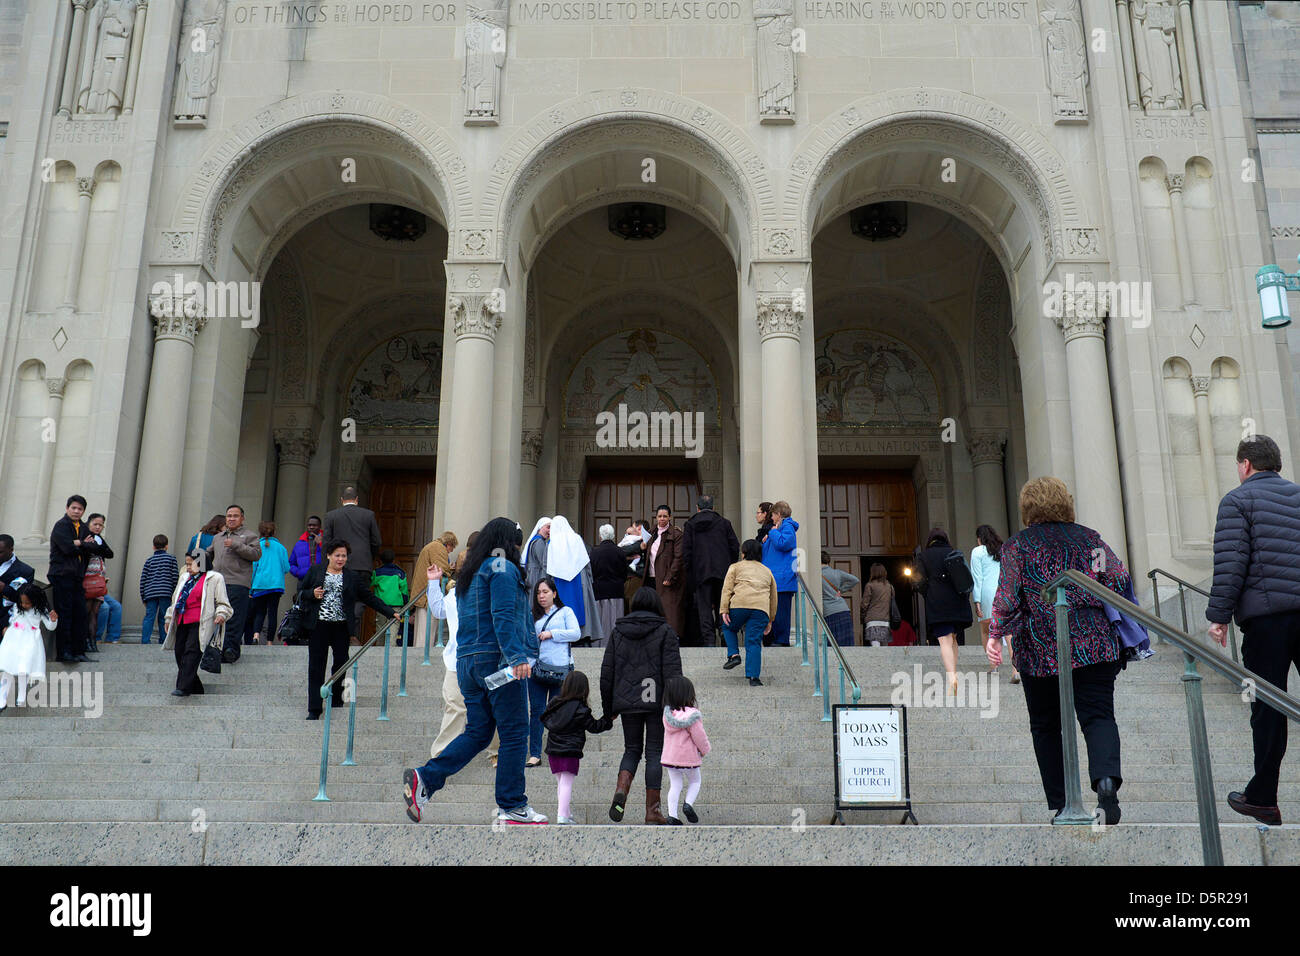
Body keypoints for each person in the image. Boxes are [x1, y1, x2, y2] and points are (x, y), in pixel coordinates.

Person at [986, 476, 1131, 825]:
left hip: (1040, 646)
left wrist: (995, 635)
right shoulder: (1089, 539)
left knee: (1046, 725)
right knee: (1098, 715)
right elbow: (1118, 579)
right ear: (1065, 503)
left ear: (1027, 508)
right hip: (1094, 643)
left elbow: (1007, 597)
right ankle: (1106, 785)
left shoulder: (1019, 546)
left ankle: (1062, 803)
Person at [403, 518, 548, 826]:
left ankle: (425, 778)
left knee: (478, 732)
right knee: (514, 733)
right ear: (509, 543)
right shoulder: (503, 569)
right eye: (517, 543)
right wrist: (517, 655)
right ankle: (512, 805)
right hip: (498, 662)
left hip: (468, 665)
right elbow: (503, 615)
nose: (519, 549)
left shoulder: (469, 576)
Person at [1206, 434, 1300, 825]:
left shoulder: (1237, 500)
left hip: (1267, 620)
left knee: (1268, 708)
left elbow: (1232, 562)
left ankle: (1263, 798)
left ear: (1245, 465)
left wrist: (1218, 614)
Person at [600, 586, 683, 825]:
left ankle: (622, 790)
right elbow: (673, 673)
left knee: (632, 750)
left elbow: (607, 673)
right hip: (656, 703)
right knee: (654, 753)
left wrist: (609, 710)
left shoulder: (618, 632)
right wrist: (675, 706)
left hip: (628, 703)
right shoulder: (665, 631)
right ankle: (652, 811)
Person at [297, 540, 397, 720]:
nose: (341, 559)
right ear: (328, 555)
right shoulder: (315, 571)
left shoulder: (351, 577)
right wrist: (312, 593)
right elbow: (299, 594)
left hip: (342, 626)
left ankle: (336, 699)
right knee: (316, 666)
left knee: (341, 662)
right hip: (318, 625)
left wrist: (390, 612)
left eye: (344, 556)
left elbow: (369, 597)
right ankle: (314, 708)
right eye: (337, 555)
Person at [424, 561, 500, 768]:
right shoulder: (455, 593)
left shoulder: (492, 591)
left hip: (488, 658)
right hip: (456, 661)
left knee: (494, 706)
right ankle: (441, 755)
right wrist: (433, 583)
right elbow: (439, 611)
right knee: (455, 706)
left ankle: (496, 752)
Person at [540, 669, 608, 825]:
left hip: (553, 750)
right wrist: (608, 719)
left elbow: (545, 719)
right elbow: (594, 727)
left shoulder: (554, 703)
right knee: (567, 782)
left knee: (561, 782)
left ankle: (566, 812)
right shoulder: (580, 709)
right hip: (570, 750)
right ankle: (562, 815)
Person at [163, 549, 232, 698]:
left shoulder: (215, 578)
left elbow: (222, 602)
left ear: (200, 563)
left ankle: (183, 687)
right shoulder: (184, 578)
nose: (187, 568)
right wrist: (169, 618)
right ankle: (196, 687)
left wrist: (221, 614)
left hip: (200, 622)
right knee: (179, 652)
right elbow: (176, 599)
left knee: (191, 652)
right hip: (182, 620)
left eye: (190, 564)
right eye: (186, 564)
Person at [528, 576, 581, 766]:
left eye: (545, 592)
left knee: (558, 712)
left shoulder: (565, 612)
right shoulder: (532, 615)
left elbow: (576, 633)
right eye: (538, 593)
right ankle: (534, 753)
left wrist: (552, 634)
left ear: (554, 593)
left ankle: (556, 750)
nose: (541, 596)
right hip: (537, 669)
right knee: (537, 712)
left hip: (560, 670)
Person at [915, 527, 973, 696]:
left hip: (938, 601)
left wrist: (928, 592)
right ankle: (953, 671)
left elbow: (917, 581)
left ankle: (952, 677)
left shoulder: (924, 556)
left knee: (944, 640)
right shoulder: (954, 552)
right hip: (958, 600)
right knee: (954, 638)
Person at [48, 494, 102, 663]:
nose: (77, 511)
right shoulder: (61, 526)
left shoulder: (83, 528)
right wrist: (81, 544)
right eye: (74, 508)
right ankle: (64, 652)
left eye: (80, 509)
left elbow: (95, 547)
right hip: (62, 575)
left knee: (80, 614)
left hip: (77, 577)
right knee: (65, 613)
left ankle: (79, 651)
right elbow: (66, 548)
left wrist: (79, 543)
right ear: (67, 508)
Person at [682, 494, 740, 648]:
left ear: (698, 508)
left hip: (701, 573)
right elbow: (735, 546)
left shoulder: (690, 524)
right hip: (723, 572)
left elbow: (686, 553)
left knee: (704, 608)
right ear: (713, 507)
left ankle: (709, 640)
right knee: (723, 605)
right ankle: (724, 633)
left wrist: (690, 574)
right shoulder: (724, 523)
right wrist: (731, 566)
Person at [323, 486, 384, 630]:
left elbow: (326, 542)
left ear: (341, 500)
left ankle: (341, 632)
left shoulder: (331, 516)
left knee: (339, 598)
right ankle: (352, 633)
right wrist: (369, 557)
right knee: (360, 598)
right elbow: (377, 542)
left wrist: (326, 565)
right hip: (362, 565)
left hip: (338, 565)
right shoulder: (368, 515)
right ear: (357, 499)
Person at [720, 539, 777, 684]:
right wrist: (770, 619)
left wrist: (724, 609)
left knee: (728, 627)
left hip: (740, 604)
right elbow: (773, 597)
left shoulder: (735, 567)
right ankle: (754, 677)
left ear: (744, 553)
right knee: (753, 642)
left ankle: (733, 655)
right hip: (761, 609)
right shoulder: (767, 570)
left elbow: (727, 589)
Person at [212, 504, 261, 663]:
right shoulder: (218, 537)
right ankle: (216, 649)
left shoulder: (249, 535)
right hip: (218, 582)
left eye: (235, 516)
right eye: (229, 516)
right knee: (217, 616)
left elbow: (256, 554)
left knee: (234, 618)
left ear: (242, 518)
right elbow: (208, 552)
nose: (231, 519)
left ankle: (230, 649)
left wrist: (236, 545)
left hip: (238, 583)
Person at [661, 675, 711, 825]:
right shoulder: (693, 715)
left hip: (671, 757)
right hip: (688, 757)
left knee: (675, 785)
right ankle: (688, 804)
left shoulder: (668, 715)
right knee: (695, 781)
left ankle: (672, 815)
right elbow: (699, 736)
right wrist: (705, 749)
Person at [972, 524, 1016, 683]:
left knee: (986, 630)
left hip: (987, 593)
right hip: (1004, 591)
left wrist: (976, 601)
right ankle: (1015, 669)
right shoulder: (1004, 549)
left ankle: (993, 665)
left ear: (979, 538)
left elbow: (977, 579)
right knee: (1008, 632)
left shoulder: (977, 552)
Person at [0, 583, 55, 710]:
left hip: (29, 641)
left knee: (23, 667)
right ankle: (2, 697)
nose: (24, 605)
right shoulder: (17, 607)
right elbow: (13, 619)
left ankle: (21, 696)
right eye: (22, 602)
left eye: (27, 603)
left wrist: (53, 620)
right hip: (13, 638)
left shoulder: (40, 611)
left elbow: (50, 626)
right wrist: (8, 627)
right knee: (8, 667)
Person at [542, 516, 597, 642]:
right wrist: (590, 581)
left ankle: (562, 633)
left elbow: (546, 565)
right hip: (579, 579)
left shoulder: (551, 543)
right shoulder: (577, 539)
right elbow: (586, 562)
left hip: (557, 580)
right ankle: (582, 635)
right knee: (580, 605)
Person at [642, 504, 686, 638]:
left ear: (670, 517)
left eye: (665, 516)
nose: (662, 519)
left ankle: (671, 637)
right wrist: (643, 547)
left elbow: (679, 557)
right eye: (660, 516)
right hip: (651, 577)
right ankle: (653, 636)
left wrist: (670, 576)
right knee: (652, 608)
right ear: (656, 517)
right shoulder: (651, 533)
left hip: (667, 579)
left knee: (670, 609)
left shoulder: (676, 534)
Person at [761, 501, 799, 646]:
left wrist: (772, 532)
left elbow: (784, 543)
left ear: (778, 514)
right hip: (775, 577)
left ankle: (782, 640)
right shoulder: (779, 528)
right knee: (775, 612)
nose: (771, 518)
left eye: (773, 515)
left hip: (782, 577)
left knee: (781, 613)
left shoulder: (787, 526)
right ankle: (776, 639)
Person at [247, 520, 291, 645]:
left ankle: (255, 635)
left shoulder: (256, 547)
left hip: (259, 584)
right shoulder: (281, 548)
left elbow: (253, 568)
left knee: (260, 612)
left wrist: (251, 589)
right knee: (272, 613)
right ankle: (269, 641)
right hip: (276, 585)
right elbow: (287, 568)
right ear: (274, 531)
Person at [413, 530, 458, 646]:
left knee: (422, 634)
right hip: (427, 598)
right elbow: (441, 571)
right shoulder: (438, 548)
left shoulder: (433, 546)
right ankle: (421, 660)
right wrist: (454, 586)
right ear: (449, 544)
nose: (451, 551)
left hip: (423, 596)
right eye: (452, 548)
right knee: (426, 635)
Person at [589, 524, 629, 646]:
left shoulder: (594, 553)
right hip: (616, 591)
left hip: (599, 591)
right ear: (613, 536)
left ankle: (599, 645)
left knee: (601, 621)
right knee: (615, 620)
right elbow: (624, 573)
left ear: (600, 537)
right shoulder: (620, 552)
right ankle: (616, 644)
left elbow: (591, 573)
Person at [83, 513, 117, 649]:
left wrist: (97, 547)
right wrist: (97, 548)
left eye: (100, 525)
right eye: (95, 524)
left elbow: (110, 553)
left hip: (99, 579)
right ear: (89, 523)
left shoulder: (98, 538)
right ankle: (84, 641)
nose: (98, 527)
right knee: (87, 611)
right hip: (88, 578)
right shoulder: (85, 536)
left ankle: (92, 642)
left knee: (95, 612)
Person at [138, 534, 179, 646]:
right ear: (166, 546)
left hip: (150, 593)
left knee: (149, 616)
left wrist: (143, 596)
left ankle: (145, 640)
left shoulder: (149, 561)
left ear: (153, 547)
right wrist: (174, 593)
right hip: (166, 593)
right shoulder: (171, 559)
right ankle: (164, 640)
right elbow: (175, 577)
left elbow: (143, 579)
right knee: (164, 617)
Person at [371, 548, 412, 646]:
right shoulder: (400, 573)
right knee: (393, 629)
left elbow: (369, 584)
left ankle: (379, 650)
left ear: (381, 560)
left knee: (380, 629)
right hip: (396, 605)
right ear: (394, 559)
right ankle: (390, 651)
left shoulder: (377, 572)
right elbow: (404, 591)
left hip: (381, 605)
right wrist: (406, 605)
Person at [819, 551, 860, 647]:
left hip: (829, 611)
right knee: (846, 643)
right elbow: (855, 580)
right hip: (843, 609)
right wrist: (841, 591)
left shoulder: (817, 576)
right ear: (828, 561)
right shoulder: (837, 572)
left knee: (832, 643)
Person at [0, 534, 37, 634]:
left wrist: (4, 588)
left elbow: (22, 598)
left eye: (1, 552)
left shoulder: (25, 571)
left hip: (5, 619)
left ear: (11, 549)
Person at [861, 563, 894, 647]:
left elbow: (864, 604)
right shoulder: (890, 587)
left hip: (872, 620)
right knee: (885, 647)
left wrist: (862, 617)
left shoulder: (870, 585)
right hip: (885, 620)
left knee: (875, 647)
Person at [289, 516, 323, 582]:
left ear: (320, 526)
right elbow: (291, 563)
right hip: (304, 579)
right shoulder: (299, 543)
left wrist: (321, 543)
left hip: (321, 580)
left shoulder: (326, 541)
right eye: (309, 525)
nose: (311, 527)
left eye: (314, 525)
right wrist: (298, 572)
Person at [522, 517, 551, 594]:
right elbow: (544, 563)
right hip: (536, 576)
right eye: (548, 527)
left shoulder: (536, 540)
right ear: (540, 527)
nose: (550, 531)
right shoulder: (539, 542)